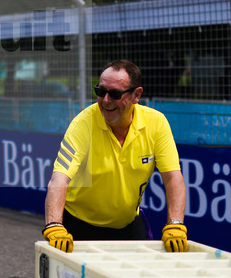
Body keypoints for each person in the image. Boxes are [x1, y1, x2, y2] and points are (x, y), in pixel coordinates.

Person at [43, 60, 188, 253]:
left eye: (115, 94)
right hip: (78, 225)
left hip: (127, 225)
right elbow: (59, 179)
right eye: (101, 91)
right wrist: (54, 225)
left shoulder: (157, 123)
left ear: (136, 95)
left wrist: (175, 224)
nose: (105, 100)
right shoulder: (83, 124)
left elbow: (173, 178)